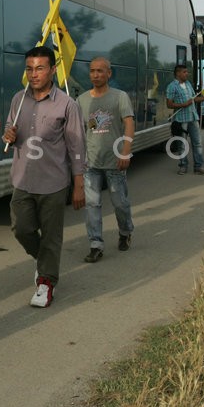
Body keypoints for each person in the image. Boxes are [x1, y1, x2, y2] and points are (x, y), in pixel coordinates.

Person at [3, 46, 85, 308]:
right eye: (29, 69)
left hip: (53, 182)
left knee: (51, 235)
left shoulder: (67, 104)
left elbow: (77, 147)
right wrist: (8, 135)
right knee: (21, 228)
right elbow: (9, 128)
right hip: (22, 179)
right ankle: (45, 262)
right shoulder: (18, 99)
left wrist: (79, 185)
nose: (34, 74)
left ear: (52, 69)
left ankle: (46, 283)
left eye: (40, 68)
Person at [77, 57, 134, 262]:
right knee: (92, 204)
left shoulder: (120, 97)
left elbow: (128, 123)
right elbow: (84, 130)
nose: (96, 75)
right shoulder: (82, 100)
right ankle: (95, 244)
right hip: (90, 162)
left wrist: (125, 151)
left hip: (115, 161)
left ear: (109, 73)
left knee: (120, 202)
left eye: (100, 71)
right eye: (92, 71)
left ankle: (125, 232)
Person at [165, 64, 204, 175]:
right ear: (178, 73)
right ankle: (183, 165)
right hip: (181, 119)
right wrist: (183, 104)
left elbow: (194, 99)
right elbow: (169, 104)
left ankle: (199, 166)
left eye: (187, 72)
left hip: (193, 117)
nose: (187, 74)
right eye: (184, 72)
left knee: (197, 143)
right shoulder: (172, 86)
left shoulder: (188, 84)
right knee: (182, 144)